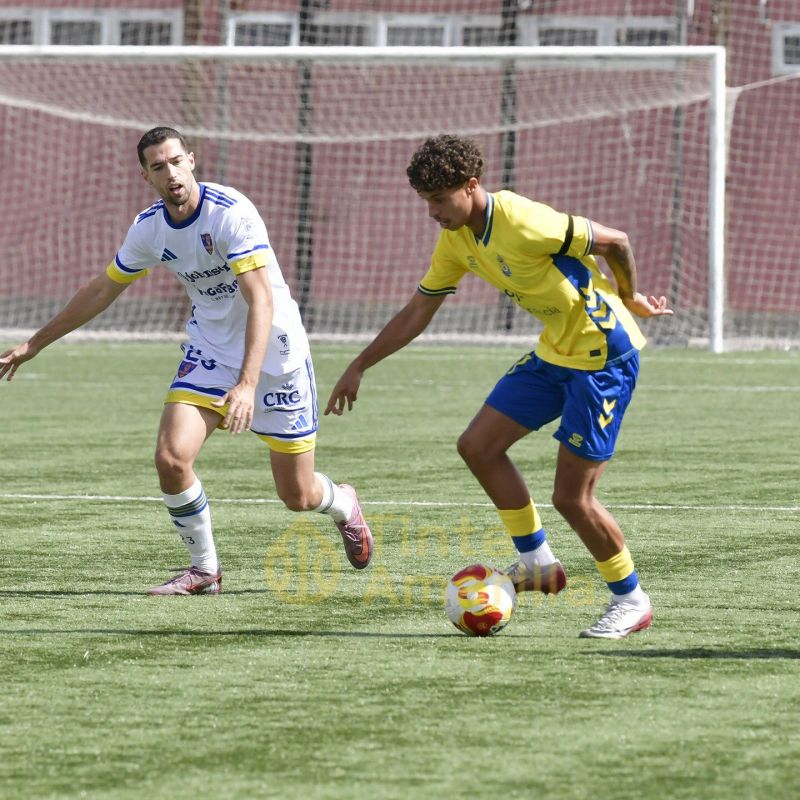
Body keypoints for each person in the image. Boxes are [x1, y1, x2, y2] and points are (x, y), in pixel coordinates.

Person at [325, 134, 672, 639]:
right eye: (426, 202)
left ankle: (631, 599)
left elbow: (615, 240)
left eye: (439, 200)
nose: (432, 213)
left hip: (602, 358)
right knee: (479, 446)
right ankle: (537, 564)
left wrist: (629, 296)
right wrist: (360, 364)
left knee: (573, 498)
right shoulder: (457, 239)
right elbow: (420, 308)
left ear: (470, 187)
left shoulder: (521, 219)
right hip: (556, 351)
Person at [0, 126, 373, 595]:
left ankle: (343, 503)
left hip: (275, 355)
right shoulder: (150, 228)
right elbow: (102, 289)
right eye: (158, 166)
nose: (170, 173)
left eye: (176, 161)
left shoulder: (231, 214)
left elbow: (261, 301)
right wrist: (36, 343)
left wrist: (246, 384)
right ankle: (205, 570)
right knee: (171, 458)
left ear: (192, 160)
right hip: (212, 351)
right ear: (146, 176)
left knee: (297, 496)